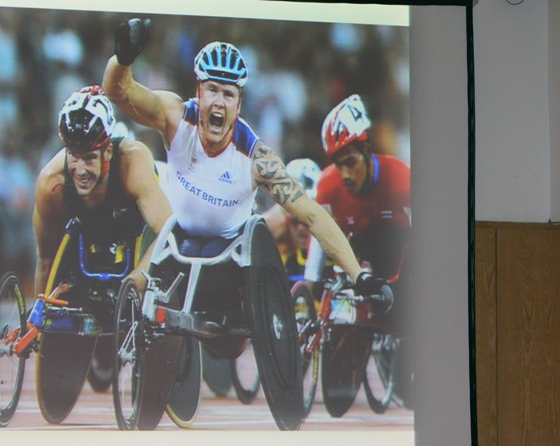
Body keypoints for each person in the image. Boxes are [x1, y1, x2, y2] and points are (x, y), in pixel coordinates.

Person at [102, 20, 390, 306]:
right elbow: (118, 92)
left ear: (238, 105)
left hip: (225, 253)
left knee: (231, 340)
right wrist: (122, 59)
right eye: (212, 90)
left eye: (228, 95)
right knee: (135, 287)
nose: (219, 102)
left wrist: (358, 277)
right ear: (198, 92)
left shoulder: (257, 159)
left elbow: (313, 215)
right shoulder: (174, 116)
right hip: (170, 234)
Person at [31, 84, 173, 297]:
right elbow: (46, 260)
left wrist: (134, 282)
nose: (80, 170)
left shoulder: (132, 163)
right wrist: (40, 318)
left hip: (138, 225)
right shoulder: (51, 182)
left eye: (89, 158)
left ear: (107, 152)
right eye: (74, 156)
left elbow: (167, 232)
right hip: (88, 228)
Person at [305, 94, 411, 303]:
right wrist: (311, 282)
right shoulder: (327, 185)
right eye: (339, 164)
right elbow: (319, 235)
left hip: (402, 256)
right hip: (359, 261)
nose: (345, 175)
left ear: (367, 151)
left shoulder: (402, 178)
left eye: (351, 163)